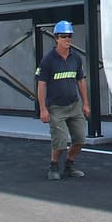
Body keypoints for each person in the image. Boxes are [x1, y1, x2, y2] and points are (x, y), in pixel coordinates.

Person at [36, 20, 91, 180]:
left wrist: (85, 104)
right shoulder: (48, 60)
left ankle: (70, 164)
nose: (67, 39)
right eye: (63, 36)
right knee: (60, 141)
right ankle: (54, 165)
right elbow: (41, 85)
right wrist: (43, 109)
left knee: (80, 139)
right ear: (56, 38)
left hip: (74, 105)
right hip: (56, 107)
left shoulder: (76, 58)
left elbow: (81, 81)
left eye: (69, 36)